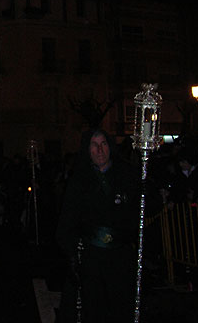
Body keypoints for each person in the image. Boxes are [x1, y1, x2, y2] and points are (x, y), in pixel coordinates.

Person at [55, 128, 139, 323]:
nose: (100, 150)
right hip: (92, 256)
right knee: (94, 308)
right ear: (88, 150)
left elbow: (137, 212)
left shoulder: (126, 175)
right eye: (94, 145)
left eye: (103, 144)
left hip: (120, 256)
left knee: (120, 306)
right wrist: (72, 254)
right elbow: (68, 220)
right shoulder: (79, 180)